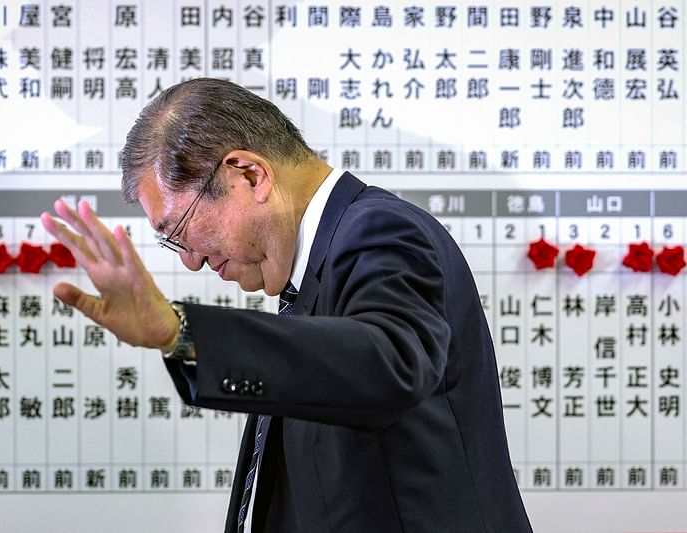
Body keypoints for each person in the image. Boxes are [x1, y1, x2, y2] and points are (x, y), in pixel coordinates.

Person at [41, 78, 532, 532]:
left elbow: (393, 362)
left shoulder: (377, 230)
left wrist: (181, 332)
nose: (191, 261)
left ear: (249, 175)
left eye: (181, 230)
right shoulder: (316, 261)